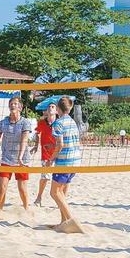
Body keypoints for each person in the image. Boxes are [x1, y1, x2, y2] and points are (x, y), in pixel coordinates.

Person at [0, 97, 32, 214]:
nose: (13, 105)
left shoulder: (25, 122)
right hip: (6, 158)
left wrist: (20, 157)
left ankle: (27, 210)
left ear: (20, 107)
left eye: (16, 104)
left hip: (22, 159)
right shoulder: (3, 123)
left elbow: (24, 140)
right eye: (11, 104)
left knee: (22, 189)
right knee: (2, 187)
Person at [47, 96, 84, 233]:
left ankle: (70, 220)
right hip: (75, 160)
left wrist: (51, 158)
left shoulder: (58, 123)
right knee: (61, 192)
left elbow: (60, 144)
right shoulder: (72, 122)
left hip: (64, 161)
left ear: (57, 109)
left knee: (54, 192)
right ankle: (63, 222)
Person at [31, 101, 58, 207]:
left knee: (59, 177)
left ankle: (60, 199)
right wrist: (36, 145)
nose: (50, 108)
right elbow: (37, 134)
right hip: (46, 154)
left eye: (53, 107)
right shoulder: (42, 122)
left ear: (56, 111)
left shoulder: (59, 122)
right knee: (45, 177)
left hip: (58, 153)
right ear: (46, 111)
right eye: (49, 107)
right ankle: (39, 197)